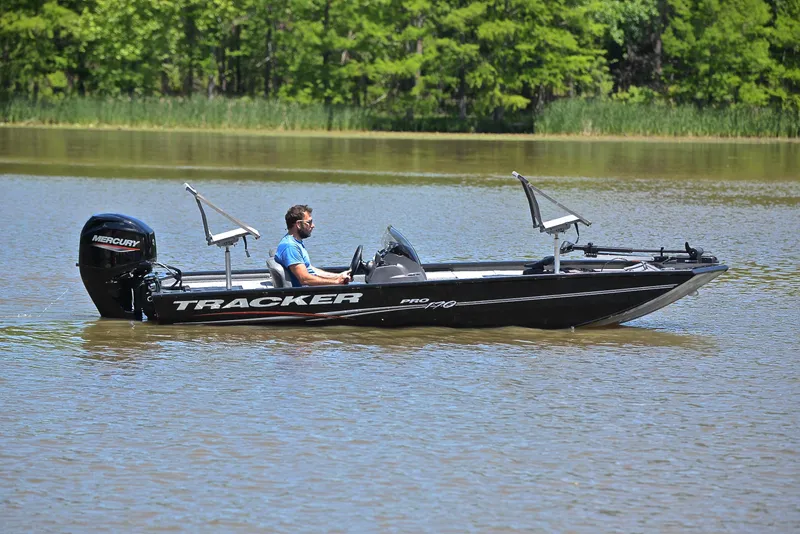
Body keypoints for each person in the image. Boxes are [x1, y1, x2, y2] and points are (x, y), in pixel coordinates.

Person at [274, 205, 351, 287]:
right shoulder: (290, 247)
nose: (313, 225)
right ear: (299, 224)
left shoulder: (296, 243)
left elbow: (310, 270)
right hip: (303, 294)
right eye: (309, 222)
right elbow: (304, 278)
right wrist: (337, 282)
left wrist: (338, 276)